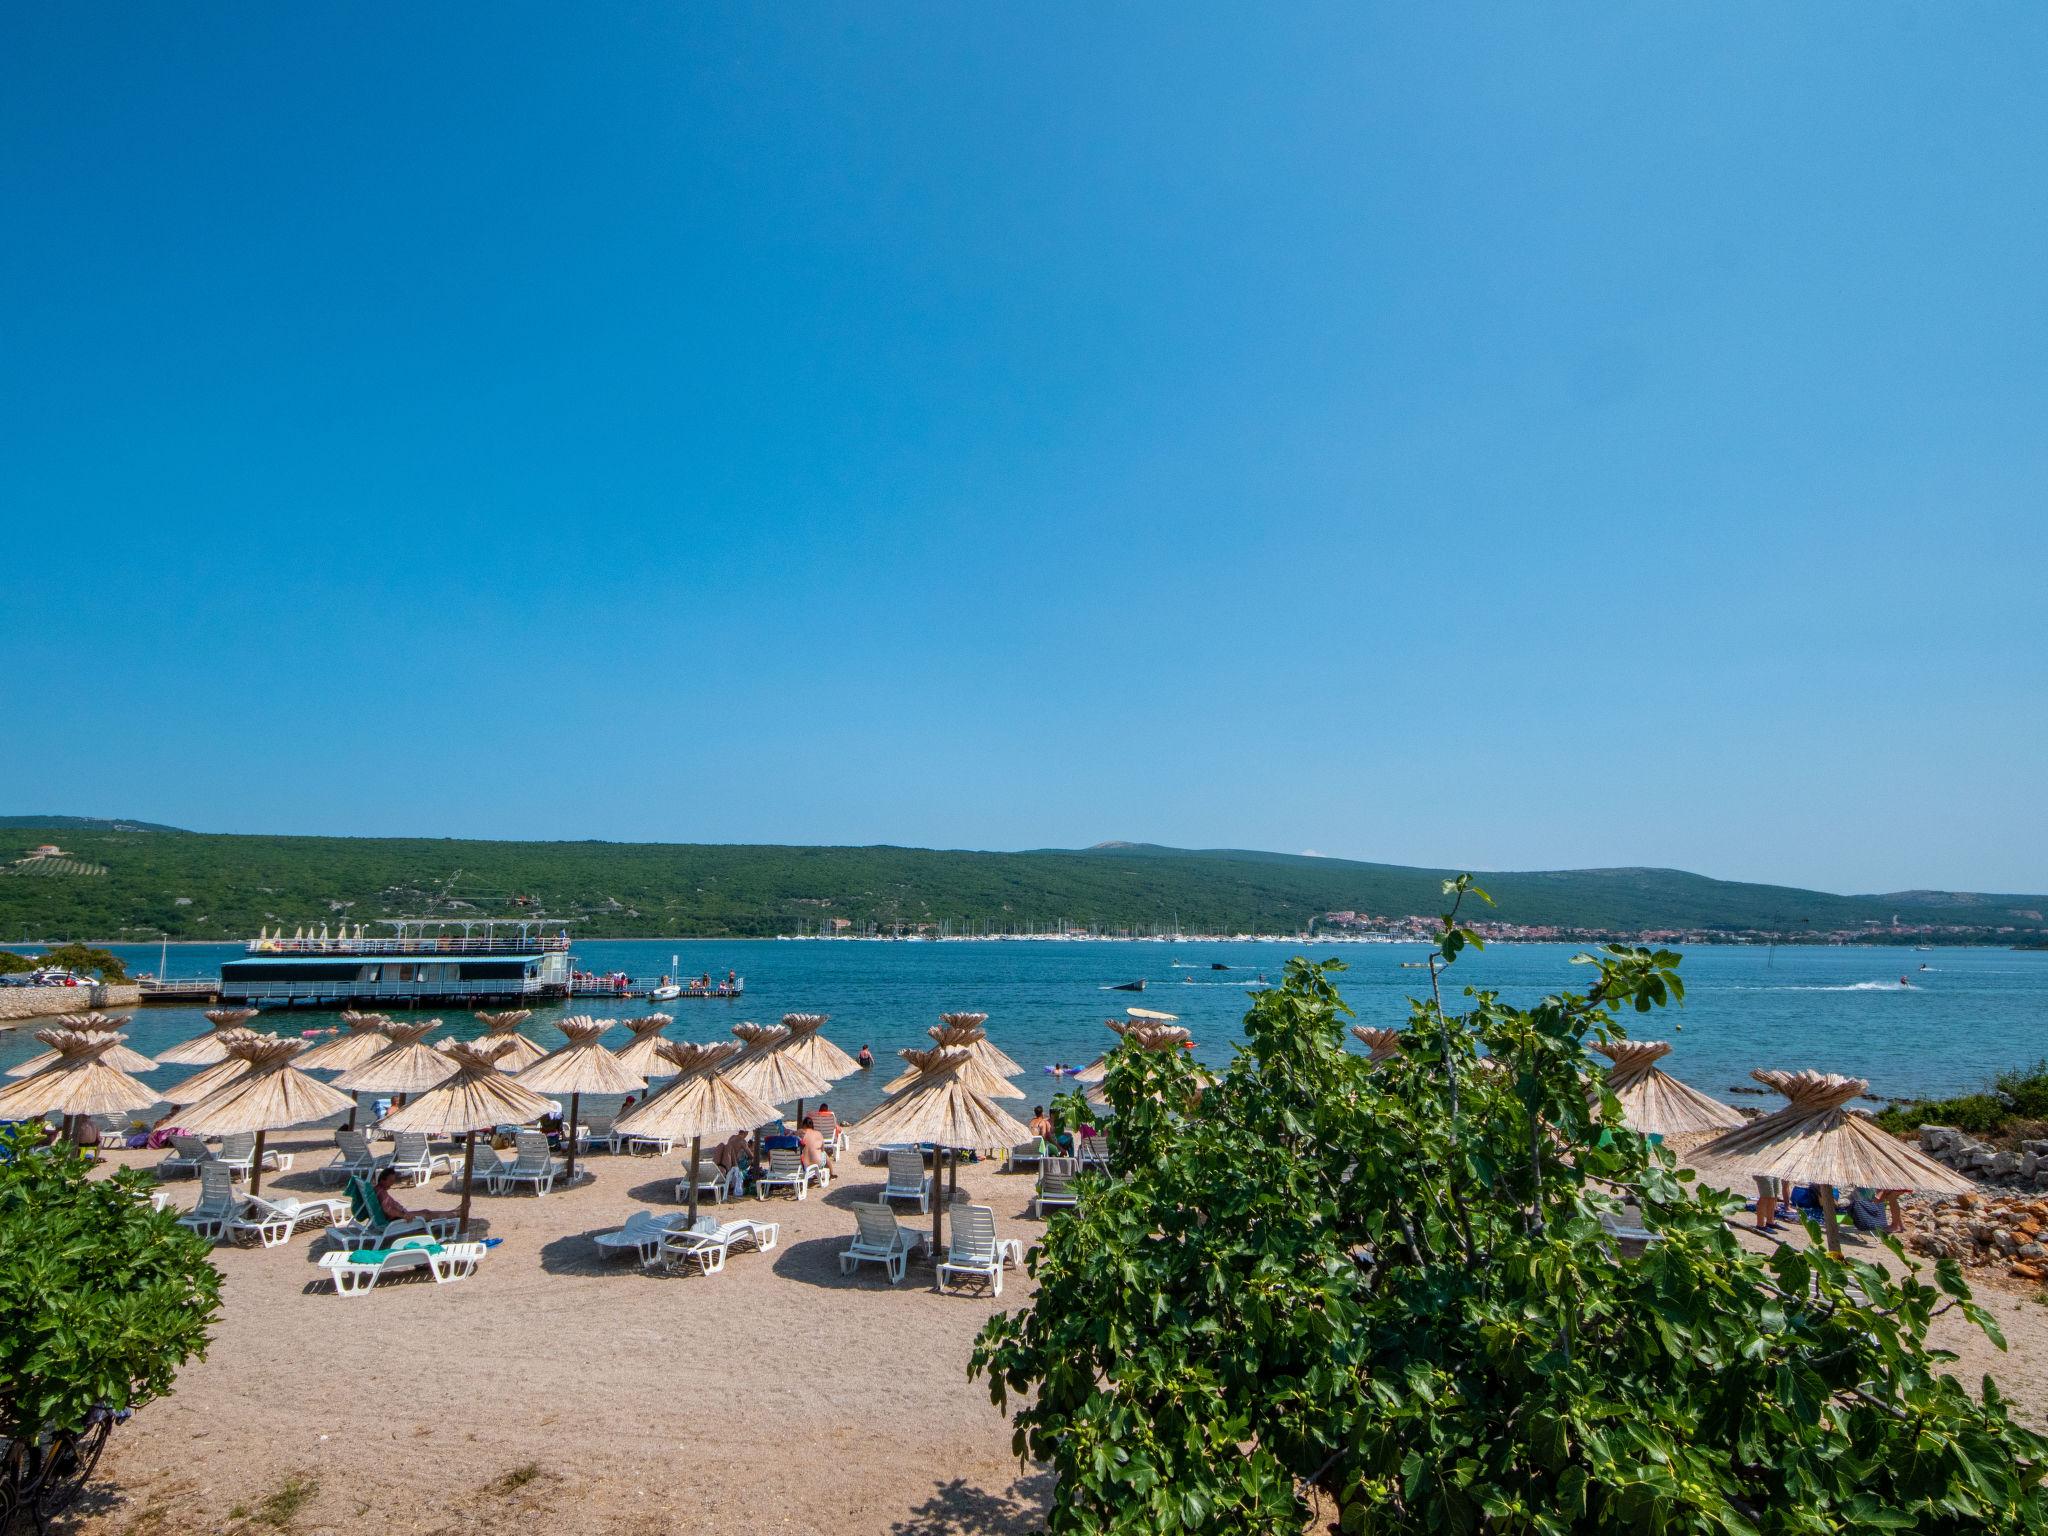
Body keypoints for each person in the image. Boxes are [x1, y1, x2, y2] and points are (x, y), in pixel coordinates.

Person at [374, 1167, 458, 1224]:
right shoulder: (381, 1192)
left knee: (426, 1212)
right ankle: (455, 1214)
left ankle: (454, 1212)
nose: (392, 1183)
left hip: (399, 1216)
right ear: (382, 1180)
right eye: (390, 1181)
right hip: (398, 1219)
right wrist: (403, 1215)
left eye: (393, 1181)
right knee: (427, 1214)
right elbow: (387, 1209)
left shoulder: (379, 1190)